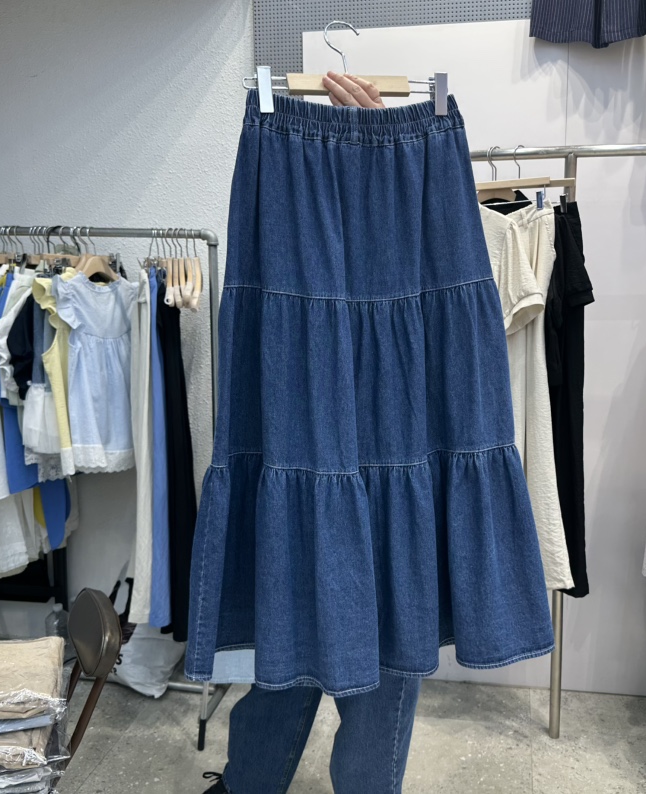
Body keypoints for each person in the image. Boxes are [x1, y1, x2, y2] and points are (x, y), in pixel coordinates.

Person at [203, 72, 421, 794]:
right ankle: (249, 782)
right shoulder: (274, 156)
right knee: (292, 599)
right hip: (300, 393)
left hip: (389, 404)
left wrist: (384, 154)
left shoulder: (415, 172)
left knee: (376, 604)